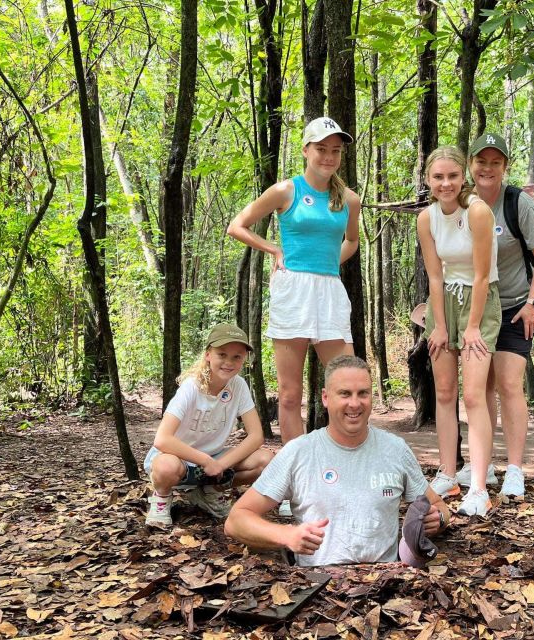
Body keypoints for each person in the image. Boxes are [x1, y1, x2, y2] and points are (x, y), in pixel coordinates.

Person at [224, 356, 450, 567]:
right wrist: (286, 535)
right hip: (318, 585)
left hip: (385, 580)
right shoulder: (300, 452)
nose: (355, 403)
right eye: (344, 394)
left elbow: (439, 506)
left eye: (363, 393)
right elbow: (236, 520)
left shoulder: (395, 449)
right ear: (325, 397)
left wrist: (437, 519)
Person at [227, 116, 360, 445]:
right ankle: (295, 475)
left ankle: (344, 462)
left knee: (349, 385)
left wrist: (327, 263)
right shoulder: (286, 190)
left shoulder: (349, 199)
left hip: (329, 290)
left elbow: (352, 242)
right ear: (306, 150)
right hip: (293, 289)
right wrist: (274, 250)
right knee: (289, 394)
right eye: (321, 149)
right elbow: (237, 226)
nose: (328, 157)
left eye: (335, 151)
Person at [457, 133, 534, 497]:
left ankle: (515, 468)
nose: (487, 168)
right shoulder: (461, 202)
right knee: (480, 389)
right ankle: (484, 467)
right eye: (482, 161)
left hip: (514, 306)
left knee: (510, 384)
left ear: (504, 167)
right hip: (475, 309)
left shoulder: (518, 204)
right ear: (471, 164)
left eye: (495, 162)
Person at [417, 146, 501, 517]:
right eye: (438, 177)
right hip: (445, 302)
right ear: (428, 180)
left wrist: (470, 327)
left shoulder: (477, 212)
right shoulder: (427, 218)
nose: (445, 183)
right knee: (445, 391)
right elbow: (435, 275)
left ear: (462, 177)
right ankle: (448, 472)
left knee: (473, 395)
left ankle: (479, 486)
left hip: (479, 304)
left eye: (452, 176)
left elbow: (482, 275)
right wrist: (437, 325)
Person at [144, 323, 274, 527]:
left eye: (237, 357)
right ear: (208, 355)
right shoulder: (192, 387)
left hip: (215, 459)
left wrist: (220, 464)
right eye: (222, 354)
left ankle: (210, 492)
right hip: (179, 458)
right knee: (166, 467)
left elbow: (256, 436)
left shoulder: (238, 385)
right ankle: (161, 498)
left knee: (266, 460)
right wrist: (205, 460)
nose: (229, 362)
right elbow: (162, 439)